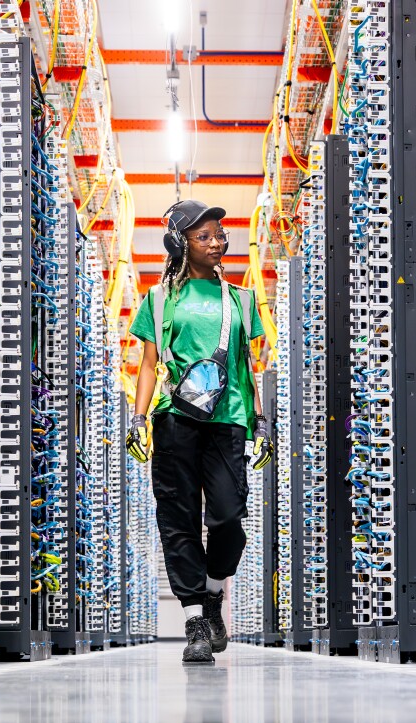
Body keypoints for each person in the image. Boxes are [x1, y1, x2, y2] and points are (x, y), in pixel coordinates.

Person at [125, 199, 273, 664]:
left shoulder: (241, 299)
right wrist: (138, 415)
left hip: (228, 418)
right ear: (180, 243)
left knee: (229, 516)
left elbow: (248, 366)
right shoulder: (159, 298)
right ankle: (195, 621)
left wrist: (261, 418)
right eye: (204, 236)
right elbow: (150, 362)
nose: (216, 242)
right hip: (175, 417)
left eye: (220, 235)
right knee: (178, 519)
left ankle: (213, 594)